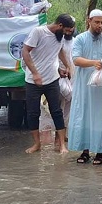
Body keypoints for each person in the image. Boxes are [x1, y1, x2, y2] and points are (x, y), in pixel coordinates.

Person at [21, 14, 75, 154]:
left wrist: (66, 67)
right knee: (33, 113)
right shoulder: (39, 32)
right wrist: (35, 73)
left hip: (52, 79)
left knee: (57, 111)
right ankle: (37, 144)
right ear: (60, 26)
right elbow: (25, 51)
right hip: (33, 81)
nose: (67, 34)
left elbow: (60, 51)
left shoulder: (60, 37)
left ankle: (62, 145)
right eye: (66, 30)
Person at [68, 9, 102, 166]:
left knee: (98, 116)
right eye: (97, 22)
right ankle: (85, 150)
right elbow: (76, 60)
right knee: (84, 115)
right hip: (83, 85)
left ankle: (99, 152)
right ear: (89, 21)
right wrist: (93, 62)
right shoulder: (80, 39)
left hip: (100, 87)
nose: (100, 25)